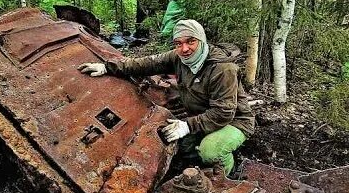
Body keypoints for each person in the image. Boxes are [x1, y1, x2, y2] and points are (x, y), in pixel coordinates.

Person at [78, 19, 255, 176]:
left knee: (211, 151)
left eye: (190, 42)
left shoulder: (223, 69)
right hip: (204, 117)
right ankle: (202, 162)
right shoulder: (178, 58)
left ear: (201, 40)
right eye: (178, 43)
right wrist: (107, 67)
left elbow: (224, 112)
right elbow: (146, 63)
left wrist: (188, 125)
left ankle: (227, 176)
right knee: (182, 147)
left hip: (234, 121)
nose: (184, 49)